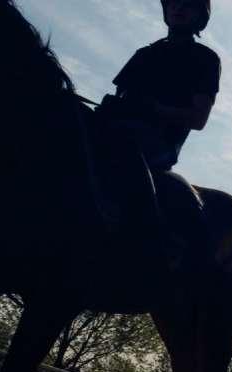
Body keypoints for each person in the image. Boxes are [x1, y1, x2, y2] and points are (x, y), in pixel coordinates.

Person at [95, 0, 221, 269]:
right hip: (118, 130)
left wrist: (152, 109)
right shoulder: (144, 54)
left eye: (188, 5)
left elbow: (198, 119)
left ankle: (149, 243)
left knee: (124, 144)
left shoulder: (205, 59)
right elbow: (121, 97)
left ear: (200, 16)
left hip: (158, 143)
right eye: (174, 3)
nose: (178, 8)